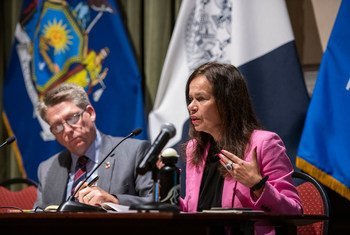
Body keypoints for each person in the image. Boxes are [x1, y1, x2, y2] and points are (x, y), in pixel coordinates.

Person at [180, 62, 302, 234]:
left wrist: (257, 184)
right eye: (190, 99)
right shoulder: (195, 149)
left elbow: (294, 211)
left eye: (200, 98)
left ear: (226, 101)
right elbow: (192, 209)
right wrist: (165, 194)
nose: (191, 106)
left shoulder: (264, 144)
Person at [34, 83, 152, 209]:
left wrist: (115, 201)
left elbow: (159, 205)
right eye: (57, 126)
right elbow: (38, 214)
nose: (67, 130)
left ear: (90, 113)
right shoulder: (47, 168)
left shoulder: (134, 152)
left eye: (72, 118)